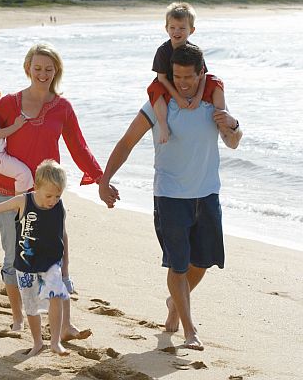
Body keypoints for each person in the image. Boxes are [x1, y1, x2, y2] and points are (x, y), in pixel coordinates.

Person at [99, 44, 242, 351]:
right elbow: (126, 142)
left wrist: (234, 125)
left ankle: (176, 301)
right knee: (178, 266)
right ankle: (190, 330)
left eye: (188, 77)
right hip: (170, 196)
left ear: (201, 74)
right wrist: (104, 180)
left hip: (207, 194)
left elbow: (232, 142)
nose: (183, 83)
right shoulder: (159, 104)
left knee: (201, 263)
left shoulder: (211, 103)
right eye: (177, 77)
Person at [0, 43, 104, 339]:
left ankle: (65, 326)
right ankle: (18, 318)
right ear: (27, 69)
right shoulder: (7, 104)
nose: (42, 74)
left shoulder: (63, 107)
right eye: (37, 68)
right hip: (9, 192)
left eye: (48, 69)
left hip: (48, 198)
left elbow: (78, 146)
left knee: (57, 257)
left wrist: (100, 178)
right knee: (14, 256)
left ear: (56, 71)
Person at [0, 160, 72, 356]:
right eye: (49, 196)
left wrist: (65, 267)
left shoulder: (59, 207)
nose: (53, 201)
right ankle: (37, 342)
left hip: (51, 264)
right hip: (26, 264)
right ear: (36, 187)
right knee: (31, 306)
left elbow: (63, 234)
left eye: (57, 196)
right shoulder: (23, 201)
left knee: (56, 297)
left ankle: (55, 342)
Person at [148, 2, 221, 144]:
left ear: (191, 30)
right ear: (166, 28)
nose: (177, 32)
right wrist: (178, 98)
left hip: (190, 85)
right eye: (172, 27)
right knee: (154, 88)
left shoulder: (194, 50)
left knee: (215, 81)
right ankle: (163, 125)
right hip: (168, 85)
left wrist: (198, 97)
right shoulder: (163, 51)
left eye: (182, 28)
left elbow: (203, 76)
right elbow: (161, 78)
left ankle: (221, 121)